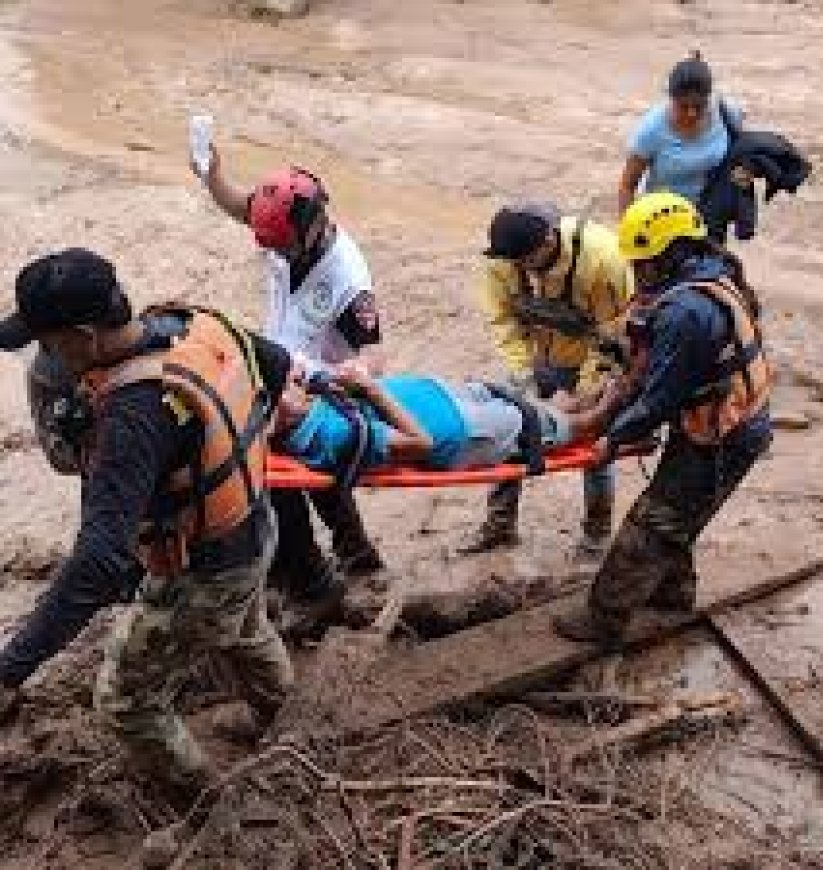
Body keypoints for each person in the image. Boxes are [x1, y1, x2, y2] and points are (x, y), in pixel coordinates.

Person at [0, 249, 295, 798]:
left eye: (48, 341)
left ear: (84, 336)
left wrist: (12, 666)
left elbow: (99, 560)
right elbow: (275, 366)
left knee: (125, 701)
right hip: (255, 526)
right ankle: (291, 721)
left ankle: (209, 806)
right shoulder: (190, 325)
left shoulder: (134, 416)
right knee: (246, 629)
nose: (47, 355)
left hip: (205, 571)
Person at [553, 192, 772, 645]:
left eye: (643, 264)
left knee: (651, 525)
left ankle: (603, 620)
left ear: (671, 254)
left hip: (722, 435)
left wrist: (611, 440)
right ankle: (673, 595)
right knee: (679, 513)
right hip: (721, 421)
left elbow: (659, 399)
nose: (637, 274)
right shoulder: (710, 276)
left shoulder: (687, 312)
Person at [198, 147, 384, 614]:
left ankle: (313, 576)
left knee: (286, 478)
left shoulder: (348, 281)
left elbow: (374, 357)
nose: (276, 252)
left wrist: (343, 381)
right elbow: (238, 205)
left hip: (321, 388)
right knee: (305, 478)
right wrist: (212, 174)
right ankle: (351, 558)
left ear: (313, 226)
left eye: (282, 245)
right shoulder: (286, 227)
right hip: (280, 369)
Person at [458, 202, 633, 557]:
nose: (518, 268)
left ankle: (597, 534)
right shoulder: (502, 259)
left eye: (525, 261)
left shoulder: (603, 261)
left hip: (590, 361)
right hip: (536, 358)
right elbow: (504, 322)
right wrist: (524, 379)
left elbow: (611, 337)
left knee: (594, 445)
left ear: (550, 241)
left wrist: (582, 397)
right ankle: (500, 525)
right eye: (513, 262)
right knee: (508, 434)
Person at [275, 366, 606, 475]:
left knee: (548, 408)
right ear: (280, 414)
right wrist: (369, 388)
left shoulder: (308, 411)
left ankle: (594, 400)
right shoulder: (333, 436)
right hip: (464, 432)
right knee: (566, 426)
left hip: (448, 400)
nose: (297, 378)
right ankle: (613, 409)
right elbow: (420, 444)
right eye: (285, 385)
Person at [618, 52, 743, 216]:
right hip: (662, 218)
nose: (692, 113)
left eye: (699, 106)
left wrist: (742, 175)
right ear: (671, 99)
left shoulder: (727, 114)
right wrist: (627, 233)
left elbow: (741, 152)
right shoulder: (651, 130)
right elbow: (627, 187)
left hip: (711, 215)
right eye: (684, 107)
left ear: (708, 98)